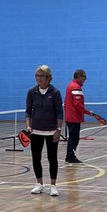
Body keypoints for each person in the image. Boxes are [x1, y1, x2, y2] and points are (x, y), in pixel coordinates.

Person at [25, 65, 63, 196]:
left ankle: (53, 185)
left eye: (41, 76)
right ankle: (39, 184)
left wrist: (58, 130)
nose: (38, 78)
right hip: (36, 131)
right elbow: (28, 112)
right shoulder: (31, 92)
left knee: (52, 158)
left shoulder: (55, 93)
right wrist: (28, 126)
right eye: (37, 76)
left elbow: (59, 113)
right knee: (36, 158)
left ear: (48, 78)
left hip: (51, 131)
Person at [63, 68, 98, 164]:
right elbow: (78, 105)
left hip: (69, 117)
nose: (85, 79)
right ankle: (70, 157)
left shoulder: (70, 86)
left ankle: (69, 156)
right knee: (74, 139)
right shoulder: (76, 87)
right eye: (84, 77)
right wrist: (88, 112)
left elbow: (67, 102)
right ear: (79, 76)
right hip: (74, 118)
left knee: (72, 138)